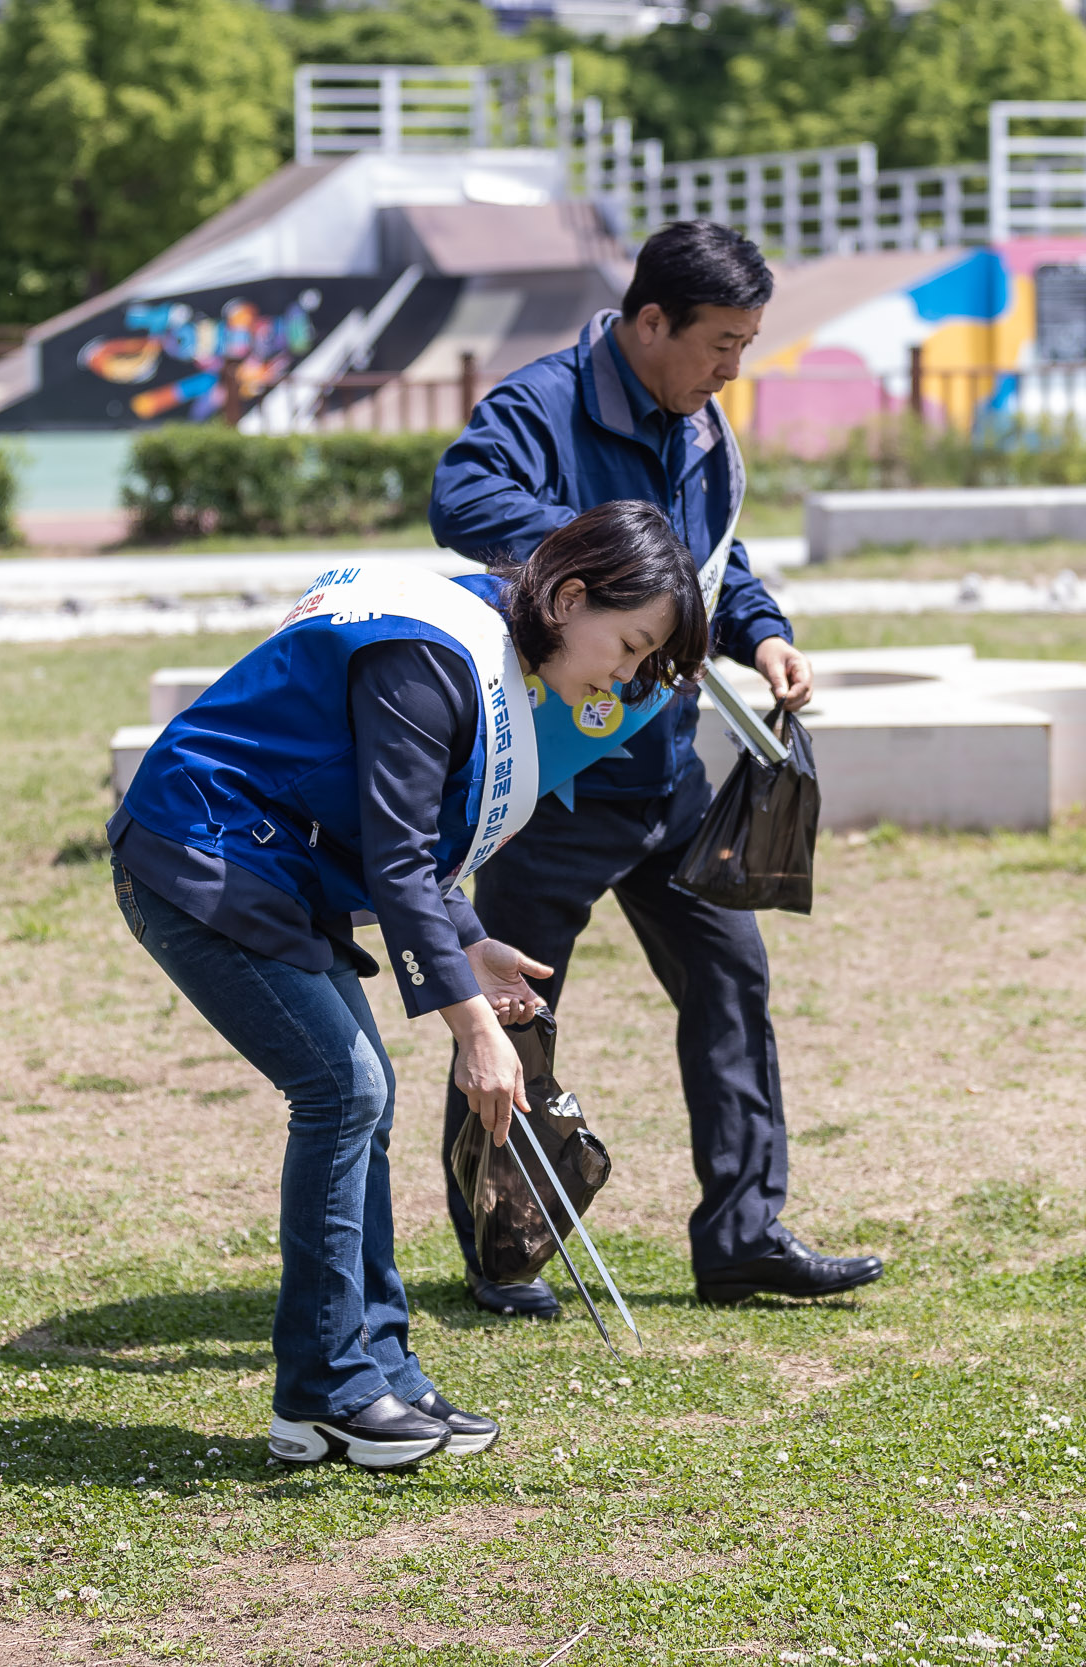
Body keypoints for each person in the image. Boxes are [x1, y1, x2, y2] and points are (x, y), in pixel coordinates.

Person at [105, 504, 706, 1469]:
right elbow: (396, 862)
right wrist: (473, 1027)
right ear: (570, 595)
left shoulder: (488, 634)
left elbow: (418, 846)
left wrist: (472, 943)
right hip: (198, 853)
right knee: (346, 1091)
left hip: (268, 863)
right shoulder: (430, 656)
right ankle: (325, 1394)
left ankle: (378, 1371)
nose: (626, 679)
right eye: (630, 646)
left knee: (356, 1099)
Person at [429, 219, 887, 1313]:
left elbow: (714, 566)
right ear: (649, 322)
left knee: (733, 983)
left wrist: (763, 628)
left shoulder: (702, 432)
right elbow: (461, 501)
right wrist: (614, 550)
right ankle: (504, 1252)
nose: (733, 366)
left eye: (746, 342)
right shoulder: (541, 406)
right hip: (553, 780)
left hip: (672, 779)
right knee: (514, 1019)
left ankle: (742, 1234)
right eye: (720, 341)